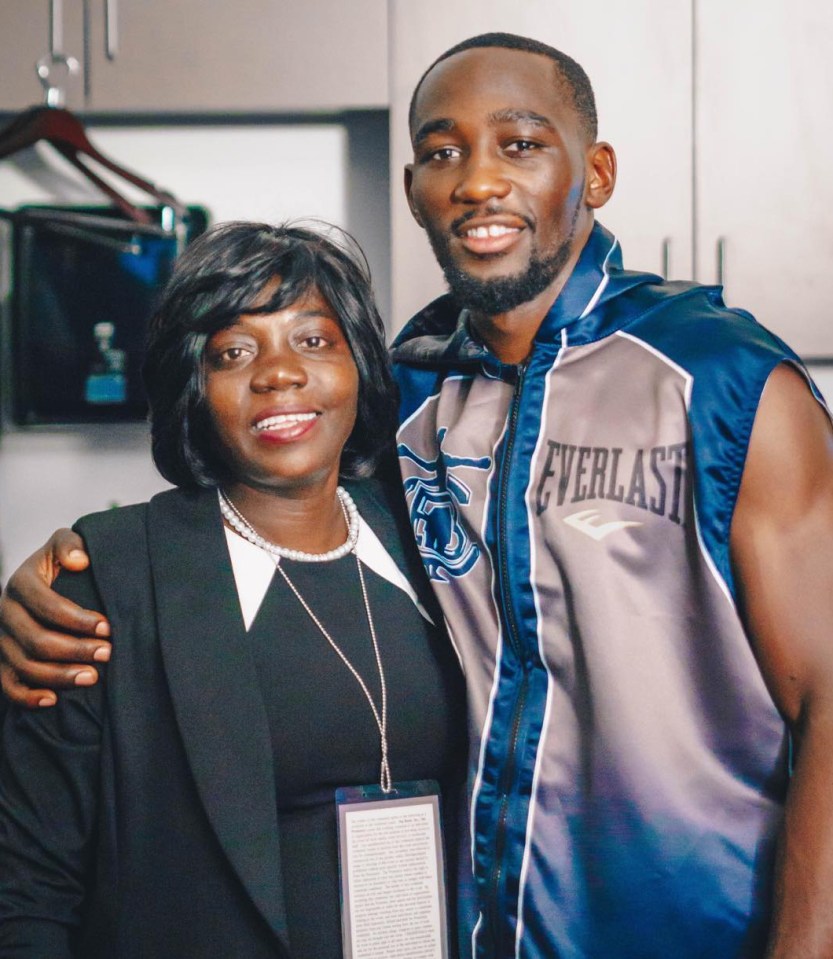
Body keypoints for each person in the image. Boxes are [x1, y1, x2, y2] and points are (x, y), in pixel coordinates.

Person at [3, 30, 833, 959]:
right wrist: (74, 569)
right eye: (444, 152)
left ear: (594, 172)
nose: (478, 180)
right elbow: (262, 504)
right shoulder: (410, 397)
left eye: (519, 144)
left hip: (698, 930)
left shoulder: (721, 379)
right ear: (414, 191)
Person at [0, 221, 466, 958]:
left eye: (312, 340)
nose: (278, 372)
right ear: (194, 386)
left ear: (359, 368)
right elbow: (25, 885)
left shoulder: (438, 539)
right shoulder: (109, 580)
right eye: (234, 352)